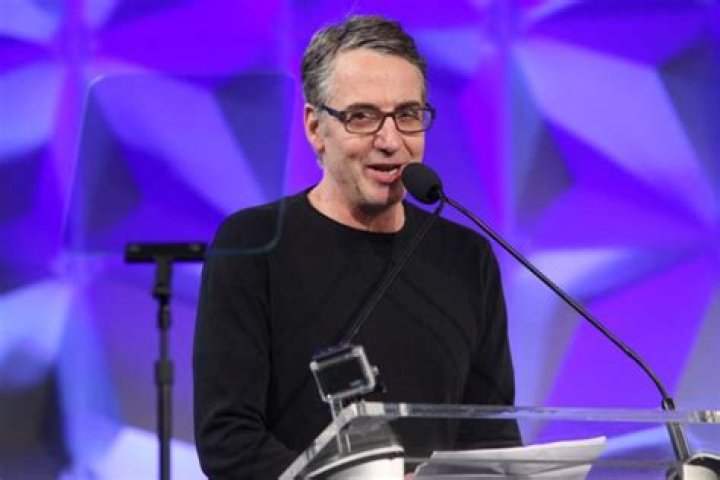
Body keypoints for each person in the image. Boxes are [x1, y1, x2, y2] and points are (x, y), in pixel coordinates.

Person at [193, 14, 519, 479]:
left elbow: (492, 437)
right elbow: (229, 440)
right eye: (362, 116)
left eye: (407, 115)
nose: (390, 141)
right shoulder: (252, 245)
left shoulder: (467, 258)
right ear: (315, 128)